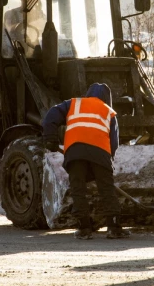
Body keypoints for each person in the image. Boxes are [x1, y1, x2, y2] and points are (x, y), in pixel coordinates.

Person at [41, 83, 129, 240]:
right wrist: (107, 164)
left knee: (78, 189)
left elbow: (51, 116)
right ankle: (114, 227)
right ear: (107, 98)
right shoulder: (109, 112)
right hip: (100, 153)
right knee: (107, 189)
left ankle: (84, 228)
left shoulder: (73, 104)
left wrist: (51, 139)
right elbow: (113, 142)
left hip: (75, 152)